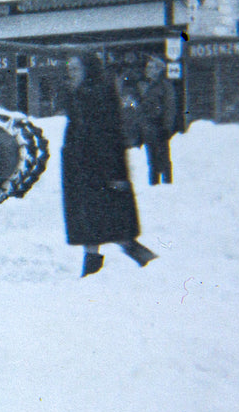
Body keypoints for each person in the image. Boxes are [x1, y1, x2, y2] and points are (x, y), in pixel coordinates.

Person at [61, 53, 157, 277]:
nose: (71, 72)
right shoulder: (78, 94)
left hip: (100, 169)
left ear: (88, 70)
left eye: (75, 68)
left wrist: (116, 173)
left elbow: (110, 135)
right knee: (92, 226)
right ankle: (92, 269)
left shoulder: (99, 94)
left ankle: (147, 261)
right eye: (70, 69)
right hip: (82, 170)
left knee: (111, 226)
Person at [134, 56, 177, 185]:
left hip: (159, 126)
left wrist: (167, 127)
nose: (148, 70)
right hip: (147, 127)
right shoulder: (144, 85)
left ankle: (167, 183)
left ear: (159, 70)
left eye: (152, 68)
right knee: (152, 160)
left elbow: (170, 107)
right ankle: (154, 184)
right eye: (148, 67)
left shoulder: (164, 86)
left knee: (163, 159)